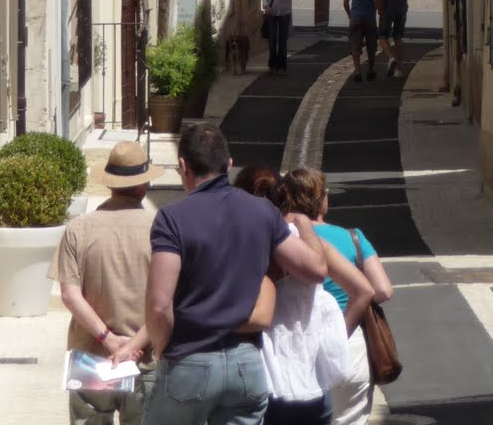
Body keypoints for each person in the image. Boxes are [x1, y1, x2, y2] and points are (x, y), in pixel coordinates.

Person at [142, 124, 327, 425]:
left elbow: (159, 305)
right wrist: (304, 224)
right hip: (247, 365)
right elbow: (316, 270)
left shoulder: (171, 218)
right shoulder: (263, 213)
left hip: (190, 359)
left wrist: (163, 348)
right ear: (228, 165)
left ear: (183, 166)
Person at [234, 167, 371, 425]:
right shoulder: (311, 245)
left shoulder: (251, 244)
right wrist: (335, 339)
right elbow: (364, 290)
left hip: (267, 376)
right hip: (314, 379)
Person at [53, 139, 166, 425]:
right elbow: (168, 299)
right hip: (146, 358)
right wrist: (132, 345)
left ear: (110, 183)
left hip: (92, 358)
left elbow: (69, 295)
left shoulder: (79, 228)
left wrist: (108, 338)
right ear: (143, 185)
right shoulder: (161, 228)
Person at [291, 167, 394, 425]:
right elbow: (383, 290)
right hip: (350, 346)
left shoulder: (286, 240)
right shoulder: (353, 238)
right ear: (323, 199)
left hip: (300, 343)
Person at [342, 0, 379, 82]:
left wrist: (350, 14)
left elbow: (345, 2)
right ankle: (371, 70)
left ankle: (357, 71)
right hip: (369, 17)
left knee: (355, 46)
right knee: (371, 46)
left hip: (355, 17)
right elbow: (378, 2)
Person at [263, 0, 294, 75]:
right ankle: (272, 65)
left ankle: (282, 66)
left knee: (282, 42)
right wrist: (266, 6)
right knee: (272, 40)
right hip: (272, 13)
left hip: (284, 13)